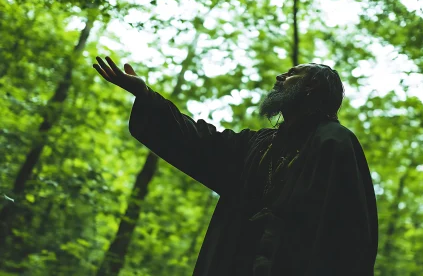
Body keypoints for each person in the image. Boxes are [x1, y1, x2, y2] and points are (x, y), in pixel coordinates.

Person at [93, 56, 378, 276]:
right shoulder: (258, 145)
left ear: (312, 86)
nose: (281, 76)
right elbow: (199, 140)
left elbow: (350, 237)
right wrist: (145, 95)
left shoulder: (336, 143)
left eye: (293, 74)